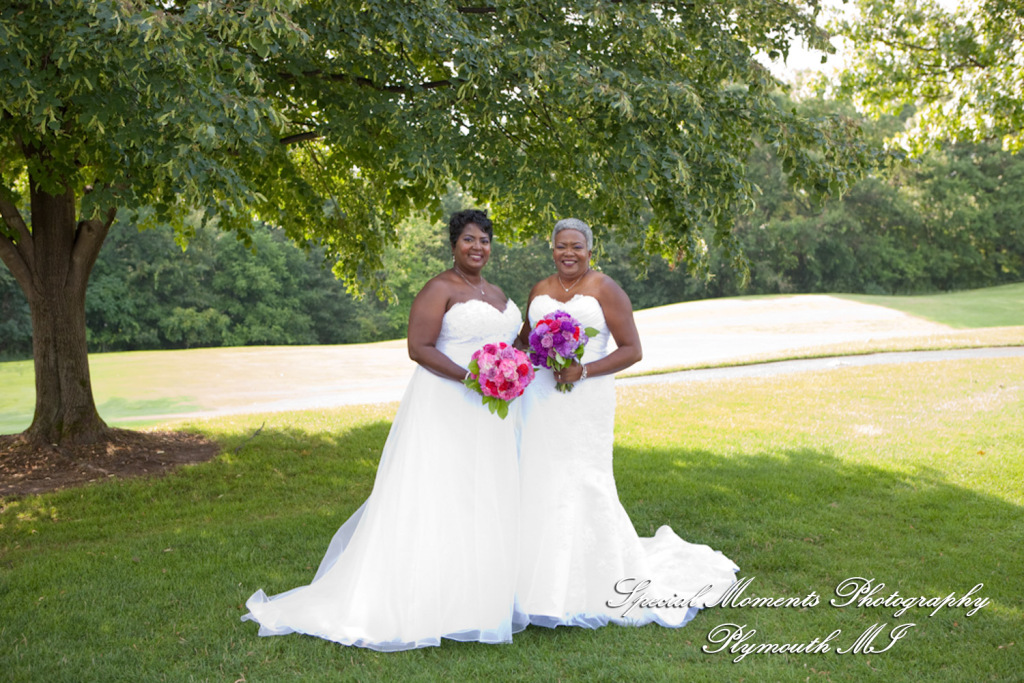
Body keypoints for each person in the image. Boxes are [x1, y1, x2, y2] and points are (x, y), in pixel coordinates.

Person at [242, 209, 527, 651]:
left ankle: (474, 600)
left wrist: (514, 369)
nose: (478, 248)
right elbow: (418, 347)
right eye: (469, 239)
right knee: (439, 493)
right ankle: (422, 600)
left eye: (485, 240)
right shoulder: (438, 288)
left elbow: (514, 342)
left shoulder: (496, 292)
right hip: (448, 402)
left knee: (480, 492)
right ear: (453, 244)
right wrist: (472, 378)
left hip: (491, 413)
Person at [515, 217, 738, 628]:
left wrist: (583, 370)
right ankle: (537, 578)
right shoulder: (540, 290)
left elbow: (632, 349)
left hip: (588, 397)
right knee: (543, 475)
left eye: (576, 246)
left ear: (589, 250)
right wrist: (507, 366)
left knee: (584, 478)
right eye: (561, 246)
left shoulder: (605, 289)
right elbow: (526, 341)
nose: (568, 253)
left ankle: (595, 578)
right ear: (551, 249)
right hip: (543, 399)